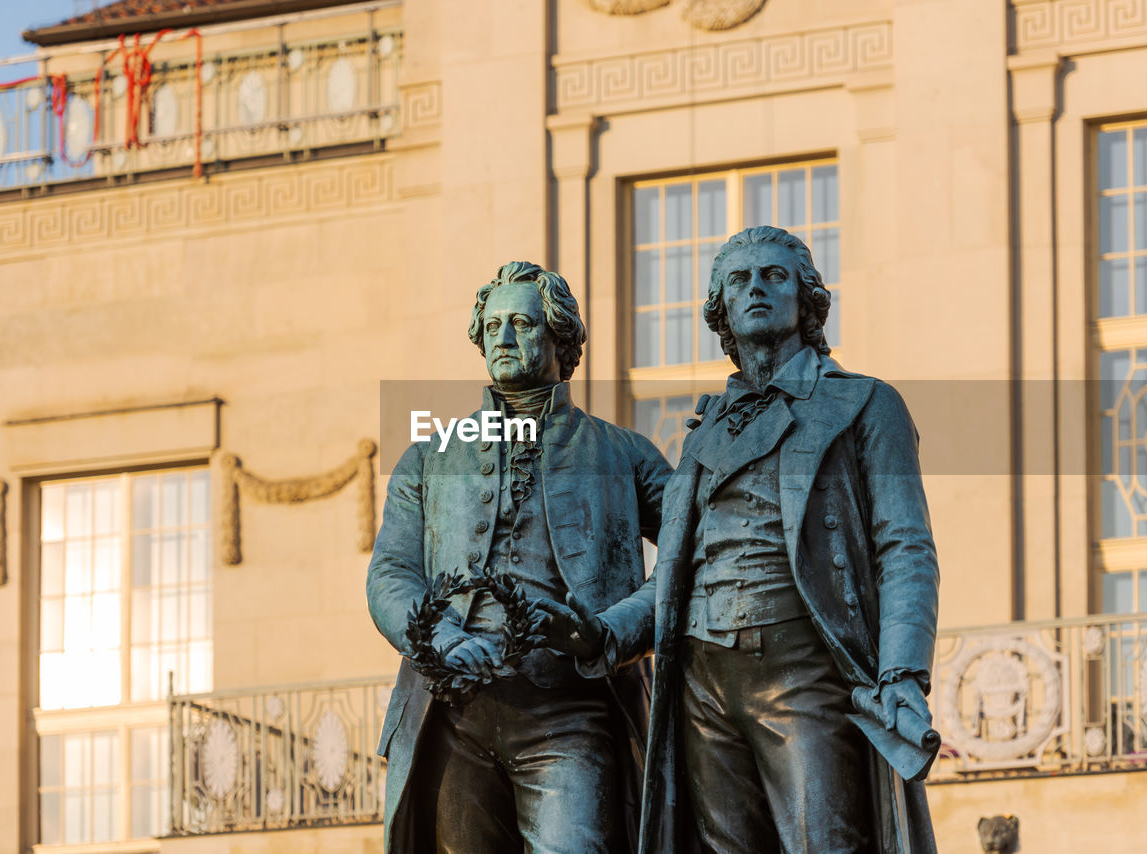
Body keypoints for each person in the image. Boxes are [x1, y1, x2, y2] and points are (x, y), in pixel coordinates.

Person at [639, 226, 940, 853]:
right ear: (720, 307)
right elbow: (669, 577)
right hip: (702, 678)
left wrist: (903, 672)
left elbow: (904, 545)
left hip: (803, 666)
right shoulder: (701, 436)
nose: (756, 288)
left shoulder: (864, 403)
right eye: (740, 279)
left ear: (806, 299)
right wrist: (600, 633)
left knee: (824, 843)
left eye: (775, 276)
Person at [368, 261, 672, 854]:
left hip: (570, 710)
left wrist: (606, 632)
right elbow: (390, 573)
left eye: (523, 324)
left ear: (560, 338)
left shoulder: (623, 454)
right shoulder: (429, 459)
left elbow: (693, 557)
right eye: (494, 325)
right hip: (454, 713)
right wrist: (444, 636)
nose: (503, 339)